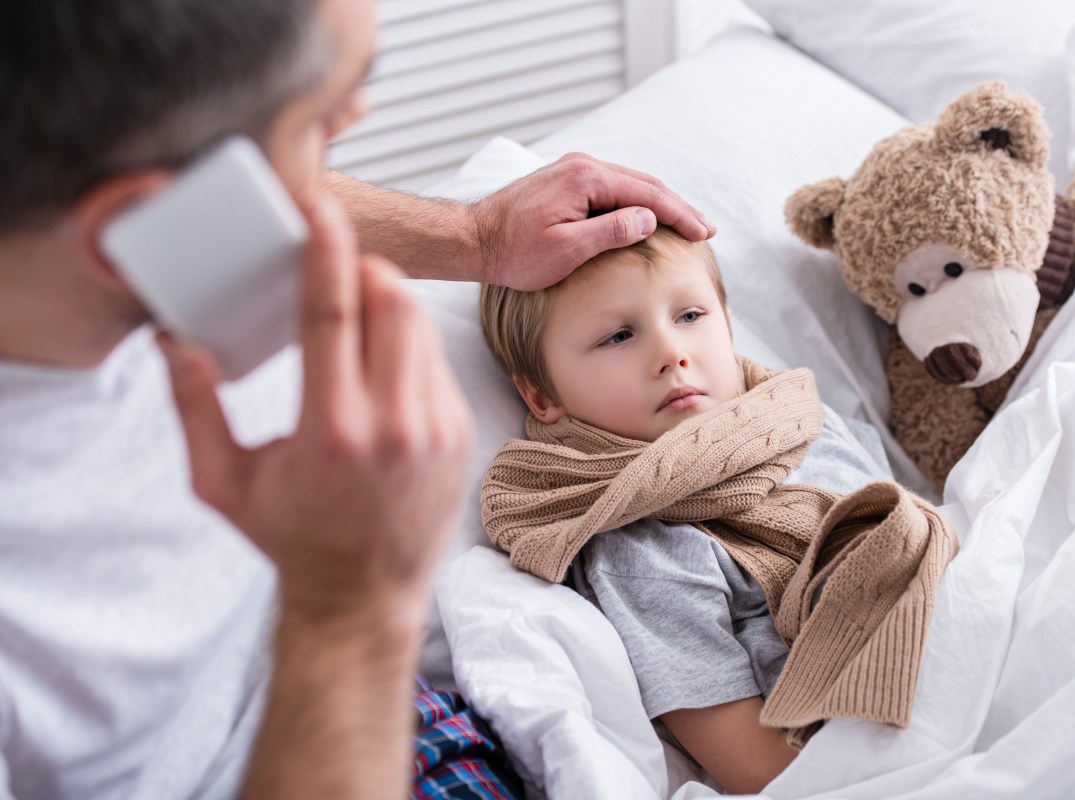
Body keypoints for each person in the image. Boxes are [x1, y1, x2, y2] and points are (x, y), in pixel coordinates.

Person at [0, 0, 716, 798]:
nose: (357, 116)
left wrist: (472, 238)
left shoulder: (77, 198)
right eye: (317, 118)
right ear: (129, 225)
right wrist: (351, 613)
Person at [478, 228, 956, 793]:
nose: (670, 354)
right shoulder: (641, 551)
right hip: (880, 741)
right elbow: (753, 766)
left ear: (726, 323)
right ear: (542, 397)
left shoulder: (803, 419)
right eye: (619, 335)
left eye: (690, 316)